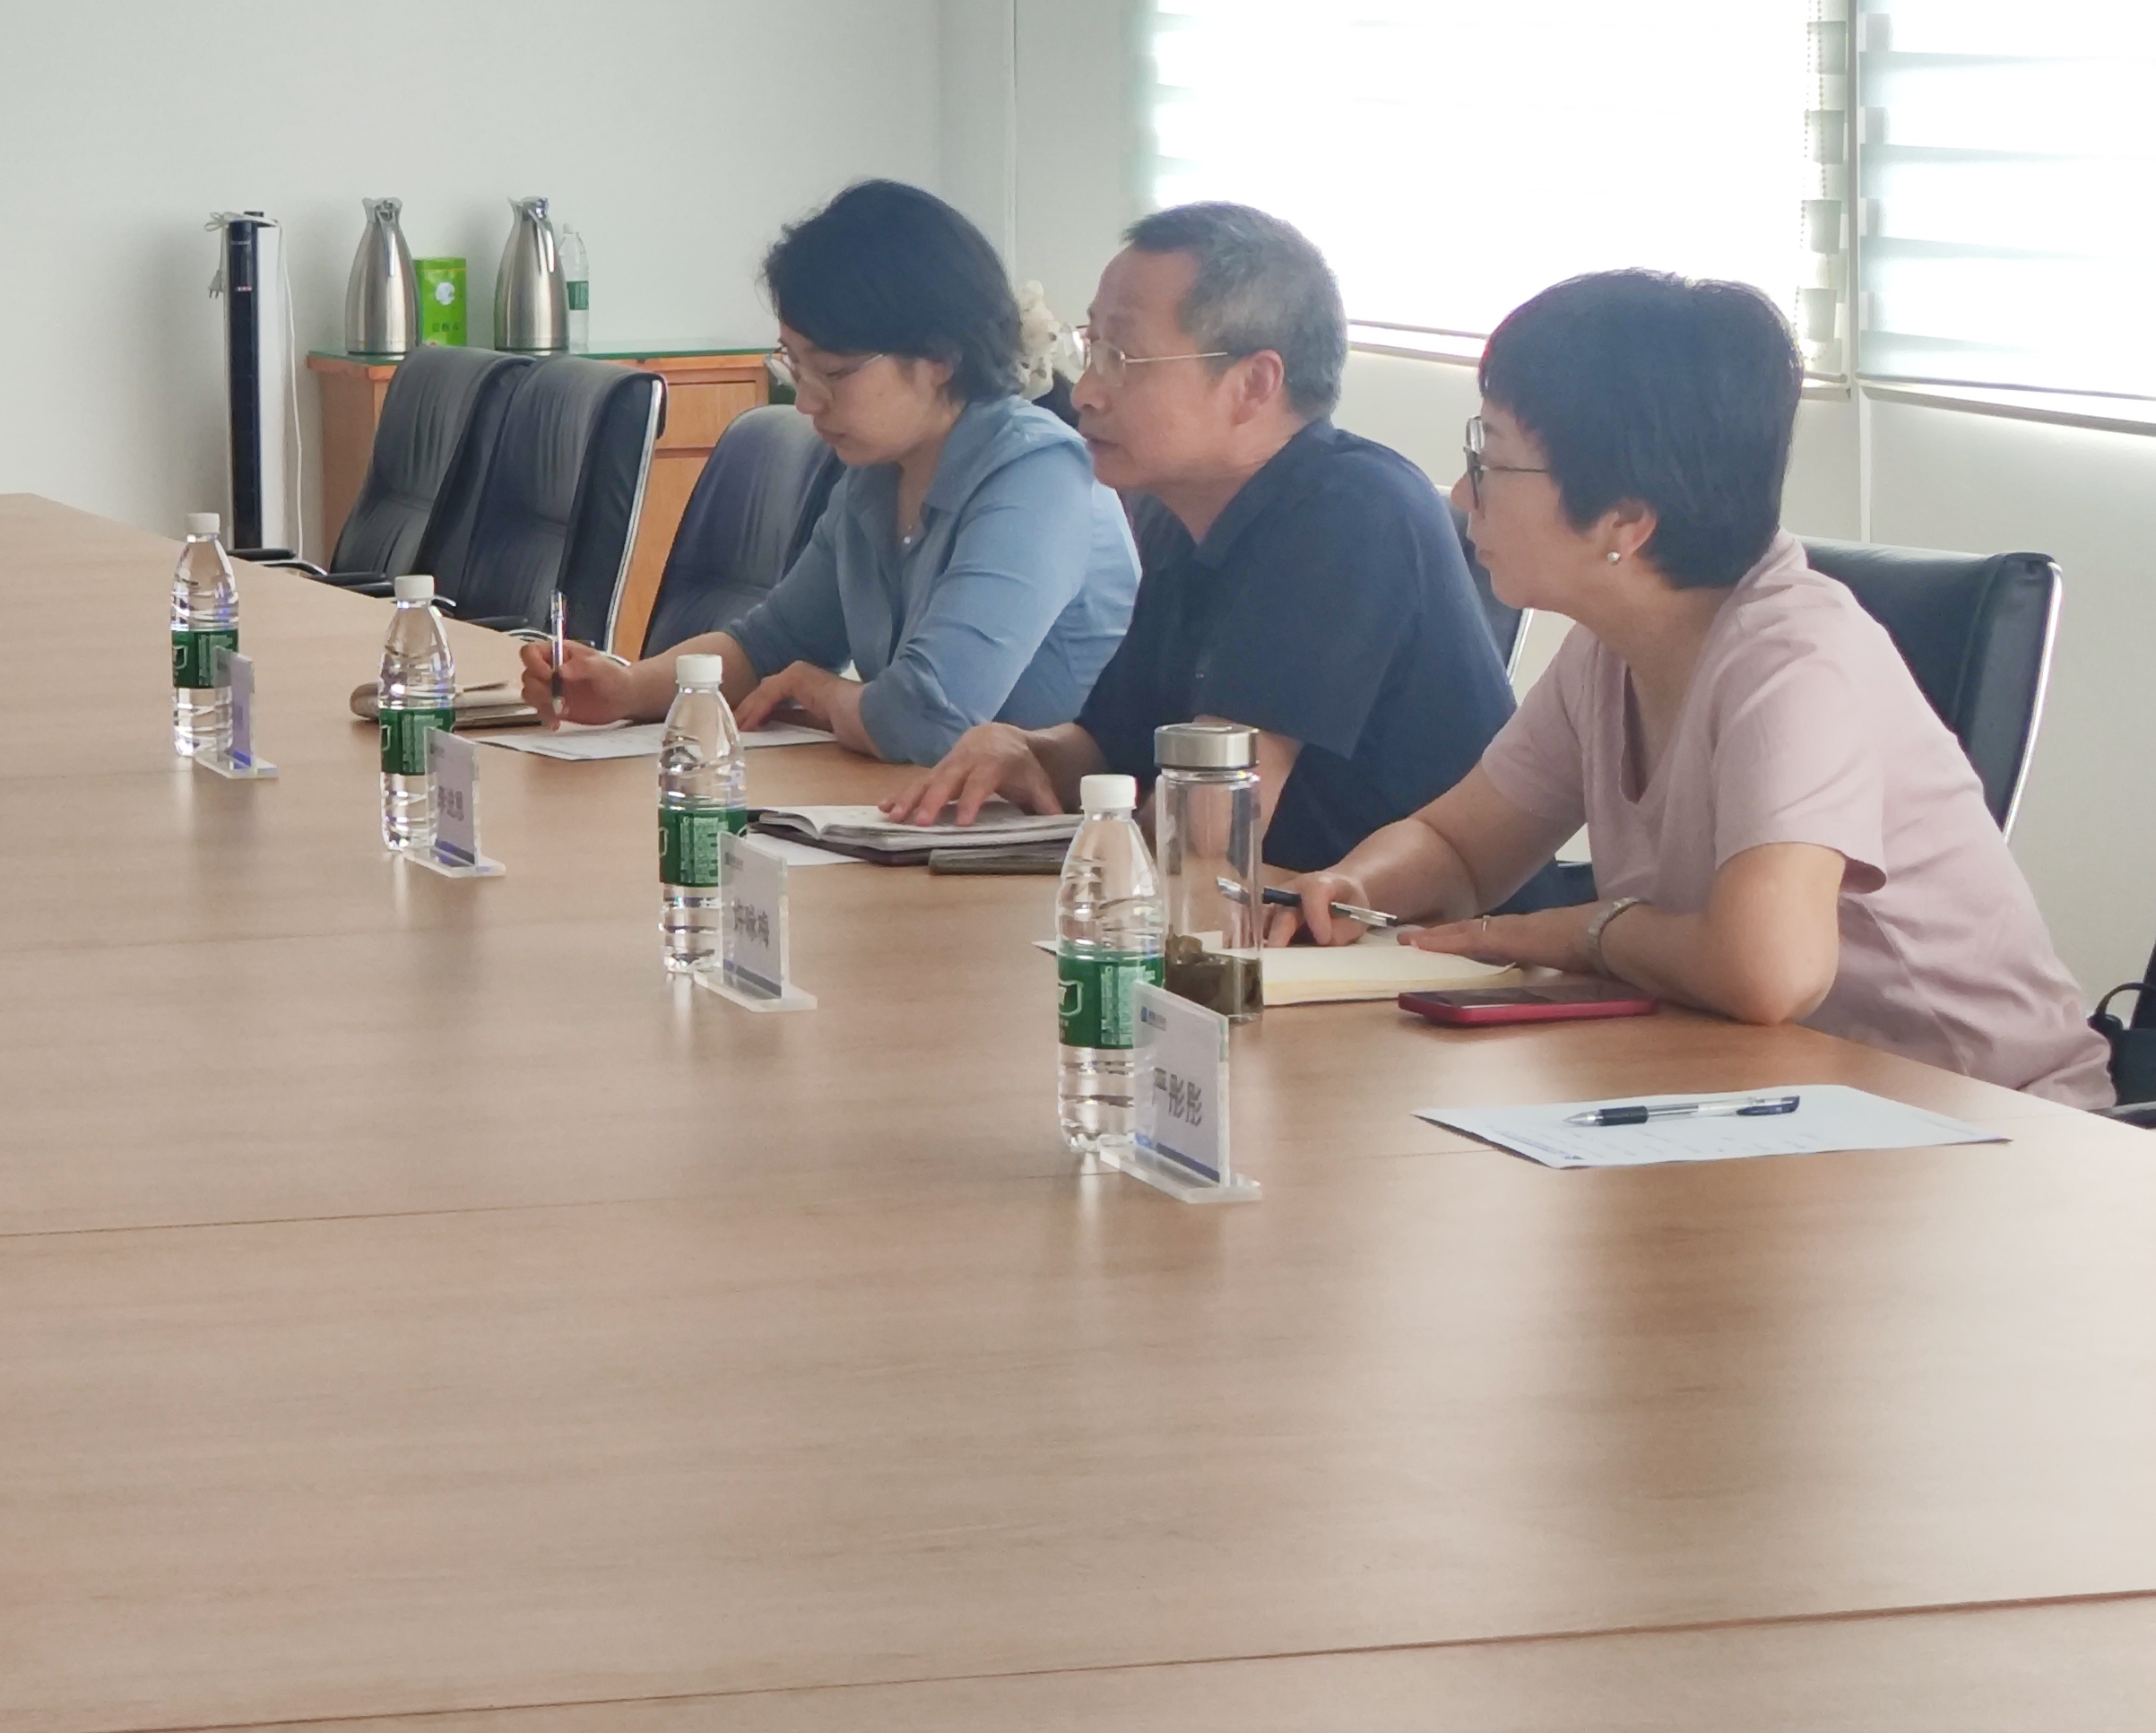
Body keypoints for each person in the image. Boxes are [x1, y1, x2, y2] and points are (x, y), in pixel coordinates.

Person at [1287, 272, 2105, 1106]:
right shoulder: (1610, 646)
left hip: (1990, 1120)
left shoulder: (1794, 658)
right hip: (1782, 1099)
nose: (1464, 495)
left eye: (1490, 462)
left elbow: (1768, 971)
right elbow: (1460, 847)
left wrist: (1579, 931)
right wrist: (1356, 886)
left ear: (1624, 522)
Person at [896, 203, 1513, 867]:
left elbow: (1209, 826)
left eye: (1122, 357)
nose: (1085, 392)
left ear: (1253, 385)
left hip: (1402, 926)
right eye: (1090, 348)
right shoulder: (1181, 512)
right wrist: (1024, 749)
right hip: (1260, 916)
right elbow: (1113, 750)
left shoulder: (1352, 513)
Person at [522, 181, 1134, 759]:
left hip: (1056, 829)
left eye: (834, 372)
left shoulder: (1038, 475)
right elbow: (769, 644)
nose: (807, 401)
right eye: (795, 365)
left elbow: (930, 718)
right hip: (930, 814)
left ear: (939, 356)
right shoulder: (877, 473)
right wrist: (627, 688)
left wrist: (820, 692)